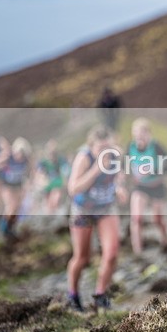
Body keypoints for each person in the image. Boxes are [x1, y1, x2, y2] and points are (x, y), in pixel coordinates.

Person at [66, 126, 127, 312]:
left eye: (107, 147)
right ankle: (73, 295)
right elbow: (73, 188)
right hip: (83, 210)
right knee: (83, 258)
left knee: (112, 254)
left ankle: (100, 294)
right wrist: (96, 169)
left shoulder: (116, 155)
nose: (104, 152)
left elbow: (118, 176)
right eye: (100, 148)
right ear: (91, 146)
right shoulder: (84, 158)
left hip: (106, 208)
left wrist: (119, 188)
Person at [127, 118, 167, 256]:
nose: (139, 138)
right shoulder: (130, 147)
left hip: (156, 186)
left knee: (157, 220)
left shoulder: (156, 146)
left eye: (142, 135)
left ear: (148, 134)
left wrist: (152, 170)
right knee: (137, 218)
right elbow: (124, 165)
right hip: (140, 187)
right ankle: (137, 251)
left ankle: (165, 240)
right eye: (137, 135)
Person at [0, 138, 34, 241]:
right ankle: (4, 228)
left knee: (18, 207)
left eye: (21, 155)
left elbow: (32, 169)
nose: (19, 157)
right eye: (18, 154)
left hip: (18, 185)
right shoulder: (8, 157)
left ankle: (12, 227)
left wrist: (30, 180)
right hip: (7, 185)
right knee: (11, 206)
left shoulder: (26, 160)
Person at [35, 139, 70, 215]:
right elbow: (39, 175)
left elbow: (65, 177)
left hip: (58, 185)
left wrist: (60, 184)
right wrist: (43, 181)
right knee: (48, 205)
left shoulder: (62, 160)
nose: (52, 155)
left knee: (55, 196)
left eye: (54, 152)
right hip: (47, 186)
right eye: (50, 152)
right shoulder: (43, 162)